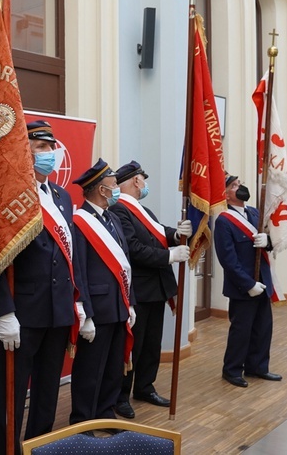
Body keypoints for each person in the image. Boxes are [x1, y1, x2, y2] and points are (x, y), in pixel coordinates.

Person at [0, 120, 78, 455]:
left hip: (58, 311)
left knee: (47, 392)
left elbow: (71, 256)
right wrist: (5, 311)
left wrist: (77, 300)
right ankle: (7, 451)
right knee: (11, 395)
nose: (49, 154)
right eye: (41, 148)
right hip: (22, 313)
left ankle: (38, 447)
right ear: (25, 151)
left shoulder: (63, 197)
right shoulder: (9, 194)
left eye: (51, 148)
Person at [109, 160, 192, 418]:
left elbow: (157, 232)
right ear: (136, 181)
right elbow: (134, 248)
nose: (145, 184)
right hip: (138, 290)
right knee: (132, 346)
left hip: (156, 288)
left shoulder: (142, 210)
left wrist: (177, 234)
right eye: (143, 179)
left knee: (151, 344)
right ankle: (121, 396)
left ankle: (145, 386)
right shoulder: (120, 210)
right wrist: (170, 255)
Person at [70, 158, 135, 424]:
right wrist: (85, 313)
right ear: (100, 189)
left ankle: (105, 415)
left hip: (119, 305)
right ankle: (83, 421)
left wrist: (131, 303)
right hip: (96, 310)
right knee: (89, 370)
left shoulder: (113, 219)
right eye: (113, 184)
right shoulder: (79, 222)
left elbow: (126, 263)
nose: (117, 188)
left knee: (112, 368)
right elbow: (79, 270)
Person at [214, 173, 281, 388]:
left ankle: (258, 367)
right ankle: (232, 370)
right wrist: (248, 284)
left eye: (239, 183)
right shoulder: (224, 220)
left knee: (263, 327)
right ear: (226, 194)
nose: (240, 187)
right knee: (241, 330)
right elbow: (228, 258)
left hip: (262, 279)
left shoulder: (254, 213)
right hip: (242, 286)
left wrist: (268, 241)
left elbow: (269, 241)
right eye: (234, 185)